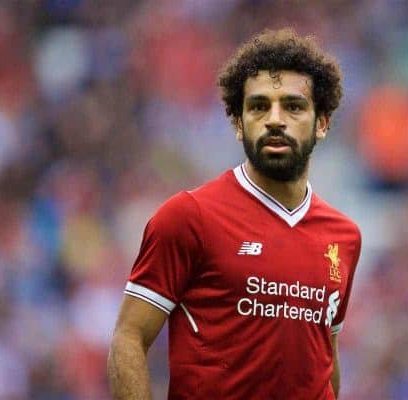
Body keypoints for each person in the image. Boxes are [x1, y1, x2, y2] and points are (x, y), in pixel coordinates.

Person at [107, 28, 361, 400]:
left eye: (293, 106)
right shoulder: (189, 216)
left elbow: (324, 357)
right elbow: (128, 337)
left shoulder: (344, 237)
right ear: (239, 123)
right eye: (259, 106)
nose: (275, 119)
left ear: (321, 122)